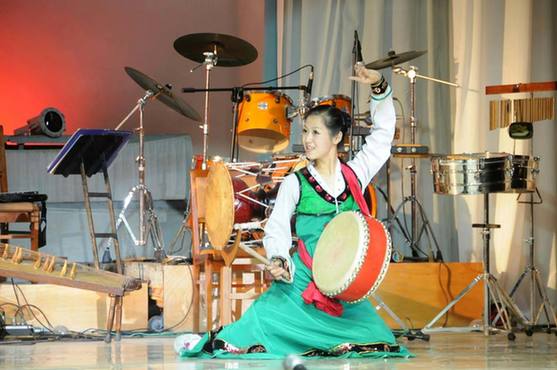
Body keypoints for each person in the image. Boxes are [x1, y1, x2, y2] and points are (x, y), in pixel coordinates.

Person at [177, 63, 411, 359]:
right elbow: (276, 228)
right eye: (306, 132)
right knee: (253, 332)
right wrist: (279, 258)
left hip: (341, 283)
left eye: (316, 132)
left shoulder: (355, 174)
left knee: (379, 340)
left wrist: (379, 87)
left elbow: (382, 137)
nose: (308, 139)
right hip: (304, 278)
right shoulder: (296, 182)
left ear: (336, 138)